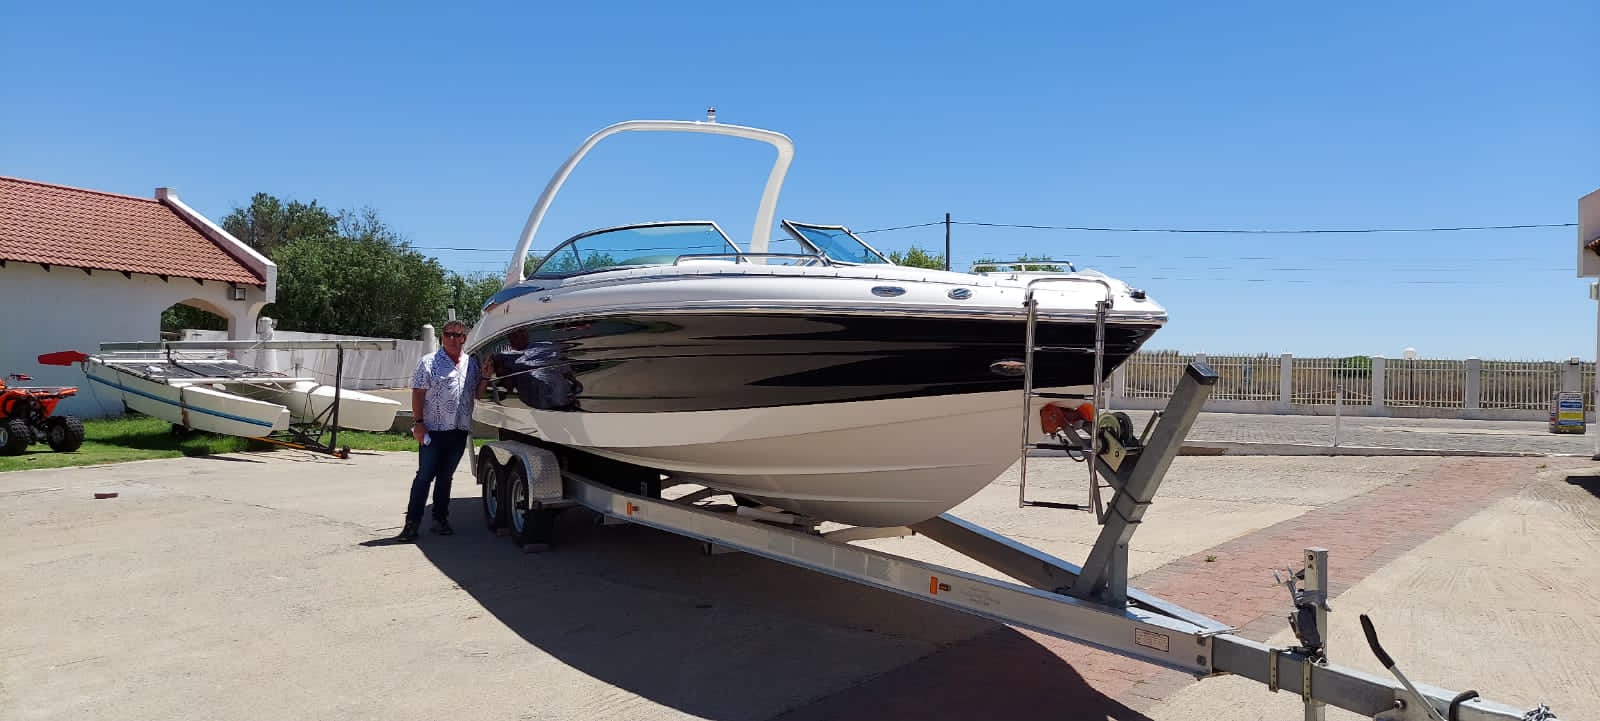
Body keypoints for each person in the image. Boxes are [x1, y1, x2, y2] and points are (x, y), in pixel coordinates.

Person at [394, 320, 484, 542]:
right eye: (448, 334)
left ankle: (440, 520)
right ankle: (412, 524)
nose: (452, 338)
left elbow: (477, 394)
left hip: (458, 429)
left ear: (464, 338)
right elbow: (418, 393)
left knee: (445, 477)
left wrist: (487, 377)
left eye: (457, 335)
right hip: (433, 430)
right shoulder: (429, 362)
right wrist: (419, 423)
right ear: (442, 337)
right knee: (424, 476)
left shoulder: (471, 364)